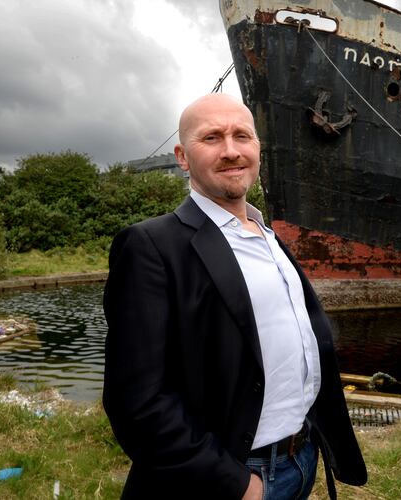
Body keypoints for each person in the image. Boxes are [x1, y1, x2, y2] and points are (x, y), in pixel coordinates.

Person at [102, 93, 367, 499]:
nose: (231, 151)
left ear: (257, 148)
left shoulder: (270, 238)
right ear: (182, 156)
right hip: (231, 478)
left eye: (241, 136)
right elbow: (136, 401)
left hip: (301, 458)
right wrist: (239, 485)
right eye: (211, 138)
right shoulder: (151, 246)